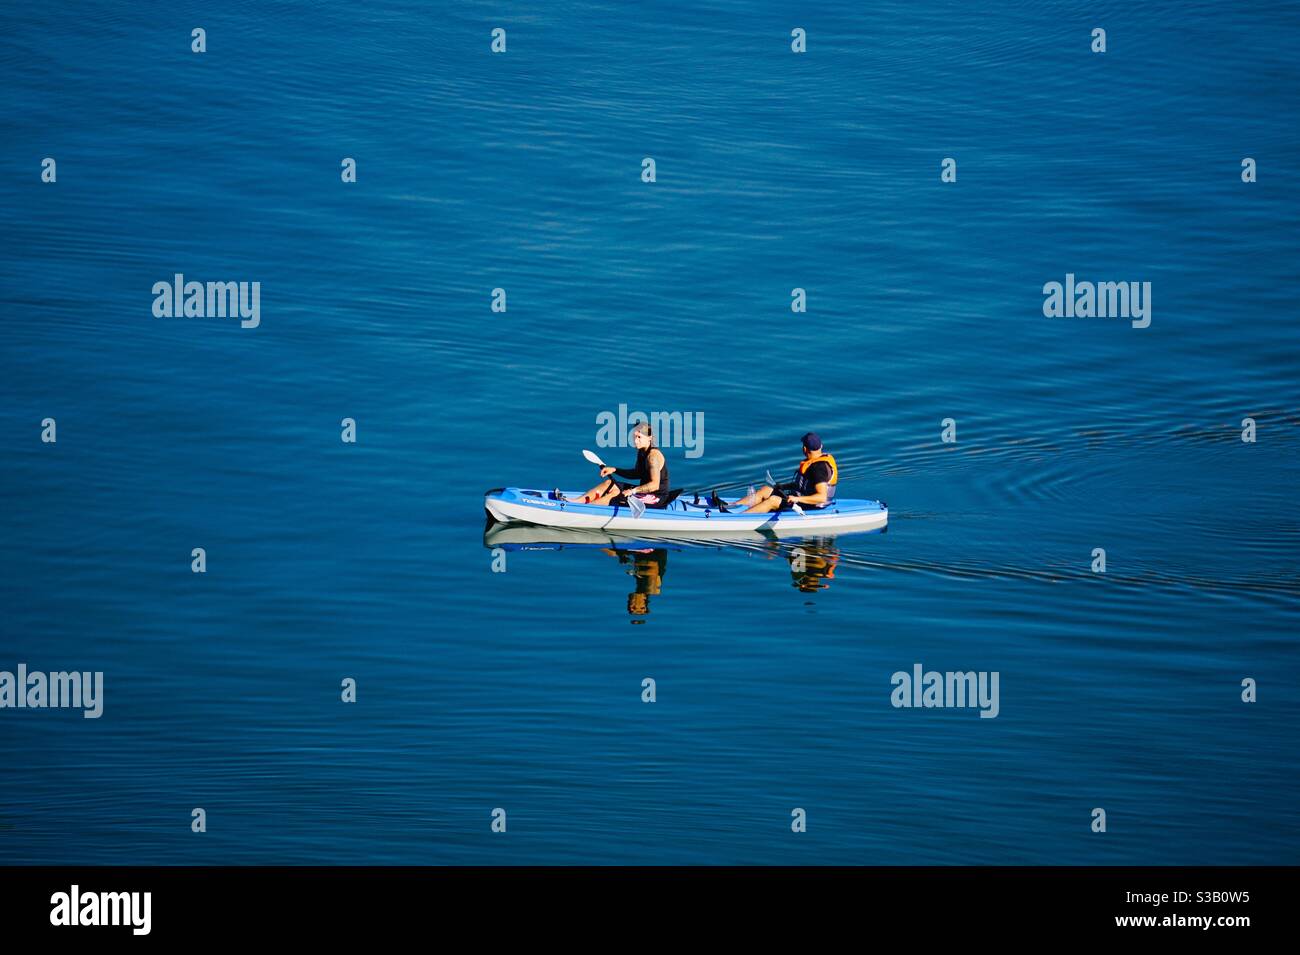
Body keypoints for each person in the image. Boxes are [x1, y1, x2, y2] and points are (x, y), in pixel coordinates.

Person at [734, 432, 837, 514]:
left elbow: (821, 497)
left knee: (773, 500)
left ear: (804, 449)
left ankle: (739, 519)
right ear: (821, 446)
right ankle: (732, 506)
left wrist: (797, 499)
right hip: (801, 498)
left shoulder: (819, 468)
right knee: (766, 490)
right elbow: (802, 485)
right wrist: (782, 486)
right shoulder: (813, 462)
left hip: (813, 507)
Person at [577, 422, 672, 507]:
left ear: (649, 438)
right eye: (634, 436)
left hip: (656, 497)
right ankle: (575, 502)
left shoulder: (653, 457)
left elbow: (654, 485)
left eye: (639, 437)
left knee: (615, 494)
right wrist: (615, 470)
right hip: (644, 492)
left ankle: (584, 510)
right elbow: (636, 474)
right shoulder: (641, 451)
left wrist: (632, 491)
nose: (635, 441)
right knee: (609, 484)